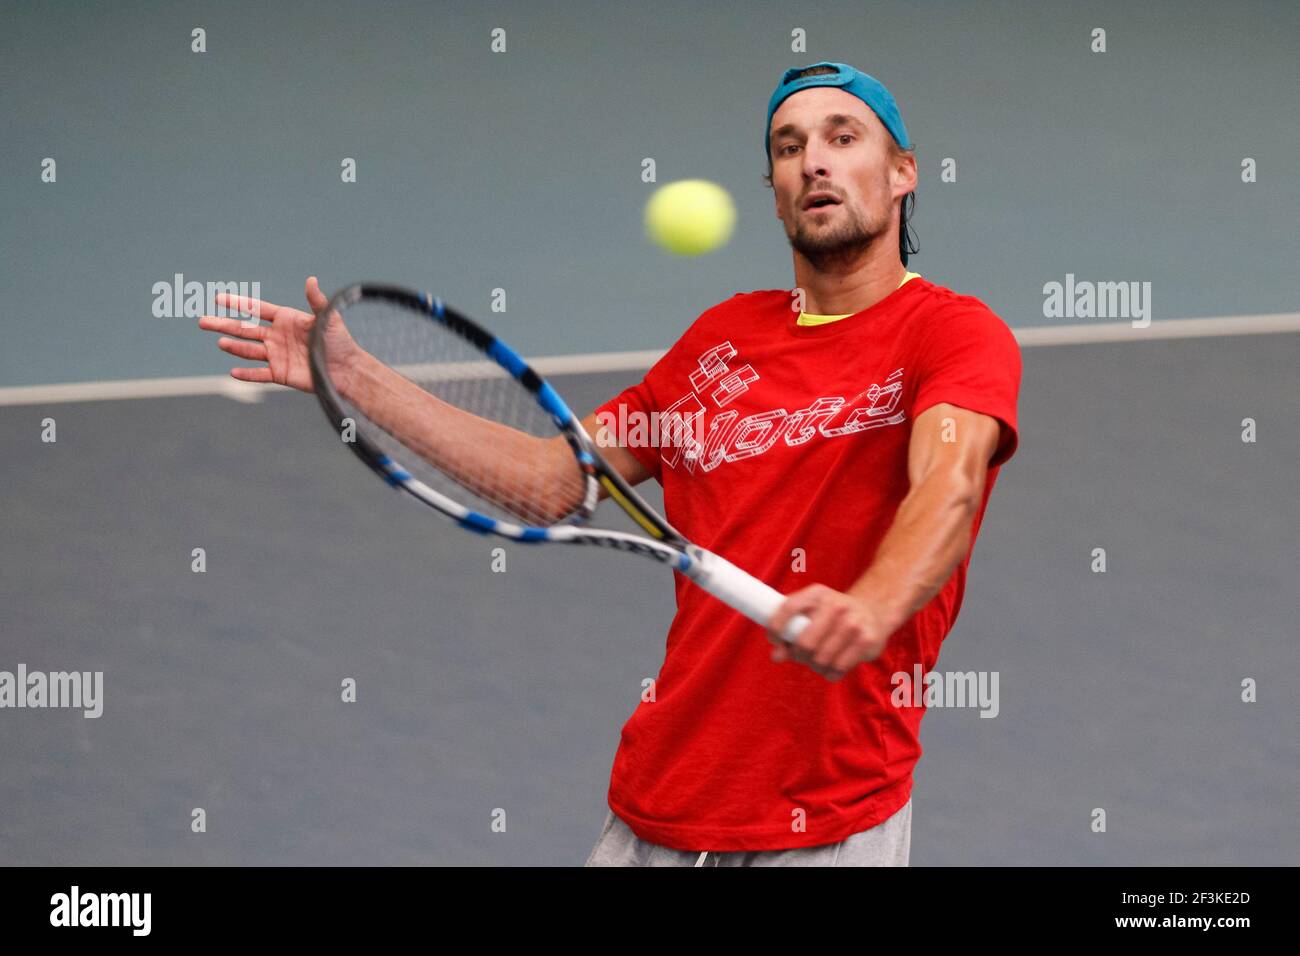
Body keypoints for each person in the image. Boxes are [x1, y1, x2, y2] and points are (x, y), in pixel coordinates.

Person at [199, 61, 1021, 867]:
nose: (813, 159)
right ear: (772, 189)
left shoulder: (950, 335)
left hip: (830, 823)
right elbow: (553, 481)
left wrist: (872, 606)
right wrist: (353, 376)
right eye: (787, 145)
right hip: (660, 804)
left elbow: (947, 486)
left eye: (844, 137)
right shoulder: (722, 340)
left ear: (903, 171)